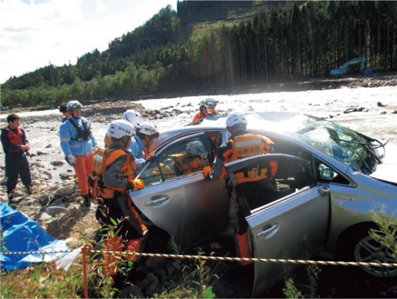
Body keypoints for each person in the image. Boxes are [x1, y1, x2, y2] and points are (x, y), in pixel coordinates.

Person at [203, 112, 277, 265]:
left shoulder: (227, 147)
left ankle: (245, 262)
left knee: (241, 228)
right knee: (269, 224)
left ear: (230, 129)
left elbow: (217, 175)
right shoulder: (263, 140)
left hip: (242, 192)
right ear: (245, 126)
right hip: (265, 188)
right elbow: (273, 166)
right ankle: (271, 256)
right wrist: (265, 178)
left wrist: (207, 173)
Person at [95, 120, 147, 276]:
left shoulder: (103, 152)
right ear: (124, 137)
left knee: (114, 236)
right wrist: (132, 184)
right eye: (129, 137)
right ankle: (129, 270)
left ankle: (110, 272)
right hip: (118, 202)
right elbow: (111, 179)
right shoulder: (121, 155)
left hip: (104, 201)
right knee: (137, 232)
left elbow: (96, 177)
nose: (130, 140)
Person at [59, 100, 97, 207]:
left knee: (90, 173)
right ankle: (85, 197)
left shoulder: (85, 121)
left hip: (89, 152)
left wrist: (94, 144)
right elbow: (64, 142)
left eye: (79, 109)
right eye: (75, 110)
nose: (78, 112)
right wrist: (69, 155)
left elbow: (90, 135)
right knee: (81, 176)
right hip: (77, 154)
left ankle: (91, 191)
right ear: (70, 112)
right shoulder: (65, 126)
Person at [1, 114, 33, 201]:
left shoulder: (21, 130)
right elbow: (7, 146)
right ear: (10, 122)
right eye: (17, 122)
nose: (19, 123)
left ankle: (29, 190)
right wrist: (20, 147)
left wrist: (27, 145)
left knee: (26, 174)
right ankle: (10, 196)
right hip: (11, 158)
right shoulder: (5, 133)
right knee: (12, 177)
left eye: (19, 121)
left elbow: (25, 140)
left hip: (21, 155)